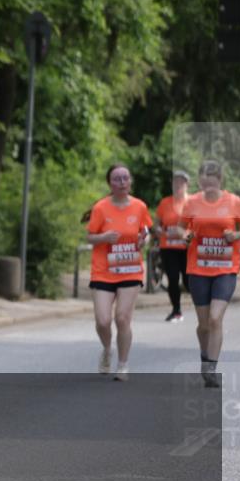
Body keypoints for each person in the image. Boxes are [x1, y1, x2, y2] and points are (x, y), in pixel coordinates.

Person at [173, 160, 240, 388]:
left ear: (220, 181)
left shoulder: (234, 202)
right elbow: (181, 227)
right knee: (203, 324)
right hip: (199, 269)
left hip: (226, 269)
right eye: (204, 184)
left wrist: (236, 236)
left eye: (212, 183)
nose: (208, 188)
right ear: (200, 182)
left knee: (215, 318)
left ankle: (211, 367)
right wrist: (185, 236)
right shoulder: (192, 202)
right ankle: (205, 356)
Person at [83, 163, 152, 381]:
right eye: (117, 179)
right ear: (110, 184)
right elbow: (89, 236)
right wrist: (104, 238)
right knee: (103, 321)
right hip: (103, 271)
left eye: (125, 178)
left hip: (130, 269)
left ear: (130, 181)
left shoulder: (139, 206)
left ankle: (123, 364)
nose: (122, 182)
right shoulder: (101, 208)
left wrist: (143, 240)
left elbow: (146, 231)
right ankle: (106, 349)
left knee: (122, 318)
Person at [153, 170, 192, 322]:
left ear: (187, 184)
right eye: (175, 181)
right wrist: (158, 230)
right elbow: (156, 224)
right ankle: (176, 310)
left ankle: (203, 306)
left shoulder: (193, 202)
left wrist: (185, 234)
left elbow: (200, 227)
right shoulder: (165, 202)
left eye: (181, 182)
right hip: (168, 247)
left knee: (189, 280)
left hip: (188, 248)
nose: (178, 184)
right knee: (173, 278)